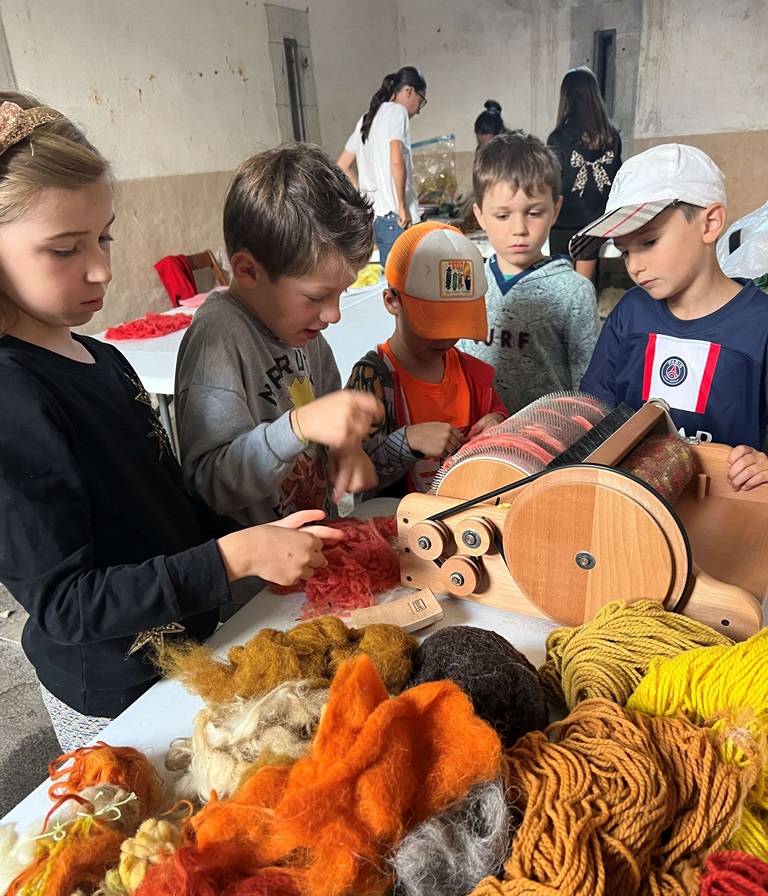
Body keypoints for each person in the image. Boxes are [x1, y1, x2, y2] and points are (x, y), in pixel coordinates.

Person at [0, 94, 342, 750]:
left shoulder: (101, 357)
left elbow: (164, 502)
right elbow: (68, 603)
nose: (102, 268)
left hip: (185, 647)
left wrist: (253, 537)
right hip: (113, 690)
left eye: (104, 236)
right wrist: (230, 557)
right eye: (66, 249)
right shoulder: (13, 398)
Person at [175, 142, 383, 529]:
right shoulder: (218, 340)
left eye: (342, 293)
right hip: (259, 582)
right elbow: (209, 483)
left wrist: (345, 446)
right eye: (318, 296)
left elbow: (329, 412)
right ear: (249, 271)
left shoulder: (303, 328)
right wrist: (296, 428)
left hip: (316, 551)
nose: (333, 314)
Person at [574, 143, 768, 491]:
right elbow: (594, 413)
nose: (634, 266)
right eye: (624, 251)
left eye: (648, 242)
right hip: (630, 506)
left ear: (710, 223)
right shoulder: (630, 314)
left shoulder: (760, 325)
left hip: (728, 512)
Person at [346, 223, 508, 496]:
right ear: (391, 301)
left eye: (456, 324)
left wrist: (497, 422)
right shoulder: (372, 379)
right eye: (432, 324)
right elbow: (351, 473)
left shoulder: (473, 375)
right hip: (395, 523)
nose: (445, 339)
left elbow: (499, 421)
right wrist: (407, 442)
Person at [458, 131, 600, 415]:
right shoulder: (465, 283)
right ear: (480, 215)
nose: (519, 229)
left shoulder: (573, 293)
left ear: (555, 209)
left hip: (546, 441)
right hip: (474, 438)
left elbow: (588, 387)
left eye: (533, 213)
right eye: (502, 215)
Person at [336, 67, 427, 267]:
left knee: (393, 284)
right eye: (421, 101)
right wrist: (402, 206)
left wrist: (363, 195)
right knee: (407, 287)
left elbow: (342, 165)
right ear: (409, 91)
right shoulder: (398, 112)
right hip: (397, 220)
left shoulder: (367, 118)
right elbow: (396, 159)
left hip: (377, 219)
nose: (419, 109)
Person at [547, 66, 622, 280]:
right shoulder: (612, 137)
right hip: (595, 225)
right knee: (585, 292)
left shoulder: (558, 138)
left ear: (566, 98)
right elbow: (617, 180)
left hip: (562, 226)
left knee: (562, 295)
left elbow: (551, 186)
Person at [455, 100, 510, 230]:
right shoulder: (480, 152)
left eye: (487, 144)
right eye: (480, 143)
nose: (483, 148)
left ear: (499, 135)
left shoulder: (512, 152)